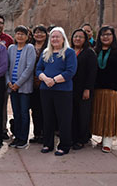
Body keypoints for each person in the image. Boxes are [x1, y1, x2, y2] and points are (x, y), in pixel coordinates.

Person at [36, 27, 77, 156]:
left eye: (57, 36)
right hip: (45, 90)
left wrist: (53, 80)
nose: (54, 39)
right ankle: (48, 144)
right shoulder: (46, 53)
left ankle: (64, 145)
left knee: (63, 119)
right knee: (47, 118)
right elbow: (38, 70)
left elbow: (70, 72)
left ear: (63, 38)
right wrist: (45, 79)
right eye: (52, 37)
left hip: (63, 91)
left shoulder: (69, 52)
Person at [6, 26, 36, 149]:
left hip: (24, 87)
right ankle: (17, 137)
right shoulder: (11, 48)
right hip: (12, 87)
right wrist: (8, 82)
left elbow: (29, 68)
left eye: (23, 34)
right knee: (16, 113)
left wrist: (18, 83)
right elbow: (6, 67)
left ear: (27, 36)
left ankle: (23, 139)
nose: (20, 36)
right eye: (18, 34)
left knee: (24, 113)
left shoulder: (30, 48)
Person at [70, 28, 97, 150]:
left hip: (83, 89)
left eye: (80, 37)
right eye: (75, 36)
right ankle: (73, 137)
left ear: (85, 39)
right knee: (72, 113)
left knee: (83, 114)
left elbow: (92, 73)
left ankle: (82, 139)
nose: (77, 39)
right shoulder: (69, 52)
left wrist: (87, 89)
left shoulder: (89, 53)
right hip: (70, 88)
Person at [29, 25, 48, 144]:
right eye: (36, 32)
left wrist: (42, 78)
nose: (39, 34)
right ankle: (37, 134)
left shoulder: (49, 48)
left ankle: (46, 134)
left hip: (45, 82)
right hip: (30, 82)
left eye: (42, 32)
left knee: (45, 110)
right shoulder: (29, 47)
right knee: (35, 110)